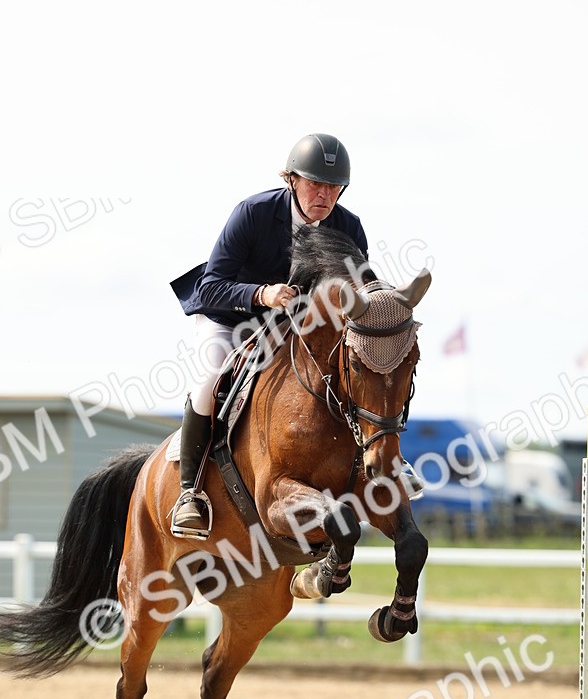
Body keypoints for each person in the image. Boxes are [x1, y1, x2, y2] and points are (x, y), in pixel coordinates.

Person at [169, 133, 420, 539]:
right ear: (291, 180)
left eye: (333, 187)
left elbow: (359, 296)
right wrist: (261, 294)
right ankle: (190, 493)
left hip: (298, 330)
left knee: (359, 369)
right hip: (233, 318)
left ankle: (383, 465)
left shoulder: (348, 226)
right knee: (210, 382)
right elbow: (210, 285)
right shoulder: (252, 213)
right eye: (315, 183)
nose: (324, 194)